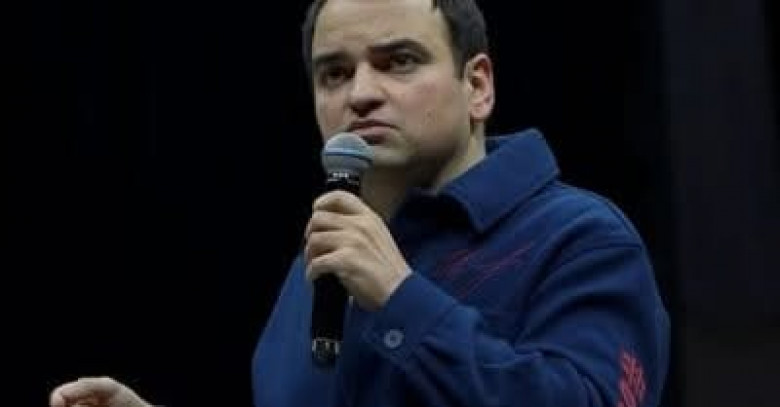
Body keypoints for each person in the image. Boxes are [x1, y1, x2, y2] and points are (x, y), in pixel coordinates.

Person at [49, 0, 671, 406]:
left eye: (399, 62)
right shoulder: (318, 268)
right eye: (334, 74)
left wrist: (402, 299)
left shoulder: (581, 239)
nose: (361, 94)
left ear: (477, 85)